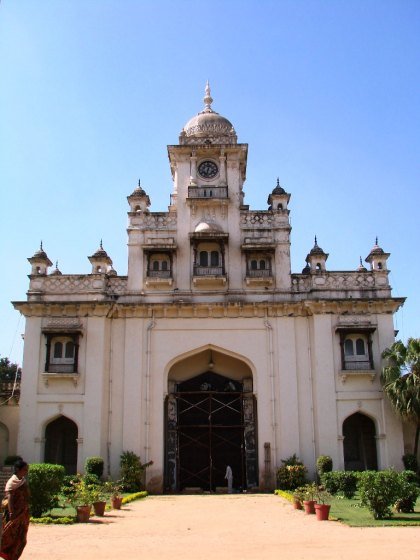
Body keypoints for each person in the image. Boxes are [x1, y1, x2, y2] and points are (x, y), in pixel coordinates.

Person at [0, 459, 30, 560]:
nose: (26, 472)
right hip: (14, 515)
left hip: (23, 515)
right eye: (25, 470)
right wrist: (12, 512)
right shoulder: (12, 482)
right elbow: (9, 498)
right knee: (9, 538)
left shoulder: (22, 481)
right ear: (18, 469)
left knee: (21, 539)